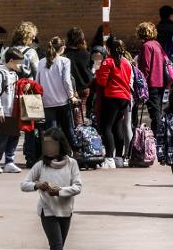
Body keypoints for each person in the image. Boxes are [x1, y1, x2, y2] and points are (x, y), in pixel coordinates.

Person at [21, 127, 82, 250]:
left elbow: (78, 187)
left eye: (52, 144)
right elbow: (24, 184)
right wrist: (37, 185)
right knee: (56, 247)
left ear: (60, 144)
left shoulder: (72, 164)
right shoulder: (40, 165)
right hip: (47, 211)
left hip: (66, 210)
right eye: (45, 144)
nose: (48, 148)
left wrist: (60, 191)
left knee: (58, 247)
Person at [95, 37, 132, 169]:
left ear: (109, 49)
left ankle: (109, 158)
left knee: (107, 127)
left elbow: (101, 82)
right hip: (125, 97)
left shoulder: (108, 62)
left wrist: (98, 71)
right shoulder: (126, 63)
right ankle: (119, 158)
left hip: (112, 97)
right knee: (118, 126)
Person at [36, 36, 78, 147]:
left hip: (47, 101)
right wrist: (71, 96)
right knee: (68, 128)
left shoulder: (41, 62)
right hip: (62, 100)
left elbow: (37, 82)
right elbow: (66, 80)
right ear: (62, 48)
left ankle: (51, 154)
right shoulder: (65, 61)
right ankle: (73, 151)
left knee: (51, 131)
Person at [0, 48, 24, 174]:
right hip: (4, 111)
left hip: (14, 111)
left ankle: (9, 161)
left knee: (14, 136)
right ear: (11, 60)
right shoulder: (0, 74)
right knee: (2, 138)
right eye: (19, 62)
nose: (20, 65)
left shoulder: (14, 74)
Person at [12, 21, 42, 168]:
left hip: (12, 91)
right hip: (28, 92)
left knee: (12, 126)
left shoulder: (8, 50)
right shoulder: (31, 53)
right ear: (29, 37)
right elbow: (37, 73)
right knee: (30, 126)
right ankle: (30, 157)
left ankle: (8, 158)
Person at [137, 22, 169, 132]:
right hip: (160, 82)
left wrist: (141, 85)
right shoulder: (157, 44)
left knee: (155, 114)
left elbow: (145, 68)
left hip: (151, 84)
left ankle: (158, 139)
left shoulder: (146, 46)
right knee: (158, 111)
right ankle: (159, 137)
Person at [64, 27, 93, 125]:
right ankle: (79, 131)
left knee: (69, 114)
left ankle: (74, 133)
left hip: (69, 88)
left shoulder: (65, 55)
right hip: (84, 85)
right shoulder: (86, 53)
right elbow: (90, 68)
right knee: (80, 112)